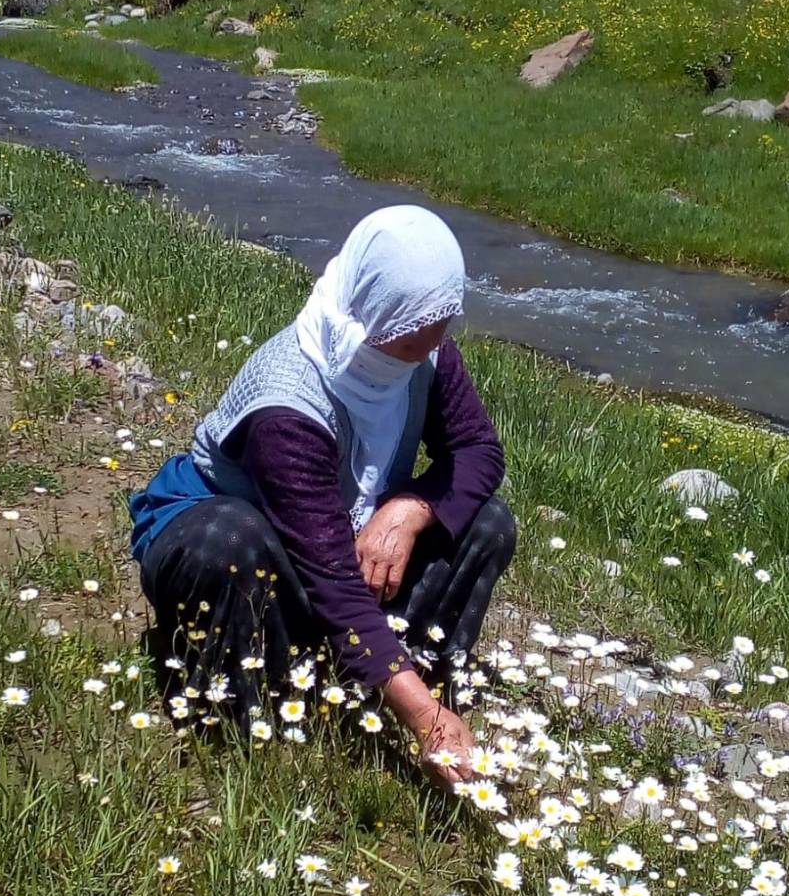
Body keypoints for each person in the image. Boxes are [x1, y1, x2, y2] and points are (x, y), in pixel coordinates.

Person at [130, 204, 516, 790]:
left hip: (333, 541)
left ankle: (378, 674)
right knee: (230, 543)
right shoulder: (288, 402)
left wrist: (411, 507)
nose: (437, 342)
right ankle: (244, 716)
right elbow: (329, 575)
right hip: (242, 539)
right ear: (374, 315)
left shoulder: (428, 349)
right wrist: (421, 717)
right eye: (415, 335)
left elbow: (478, 450)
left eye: (443, 322)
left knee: (485, 523)